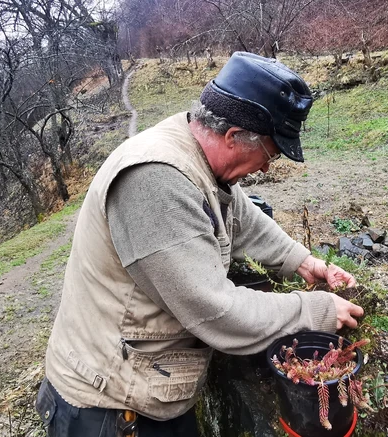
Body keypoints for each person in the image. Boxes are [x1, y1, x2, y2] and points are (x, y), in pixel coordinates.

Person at [35, 52, 364, 437]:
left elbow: (243, 219)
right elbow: (213, 308)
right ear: (232, 137)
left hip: (150, 384)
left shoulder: (198, 154)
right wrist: (316, 309)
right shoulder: (155, 180)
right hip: (110, 404)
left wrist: (306, 263)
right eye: (268, 155)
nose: (266, 169)